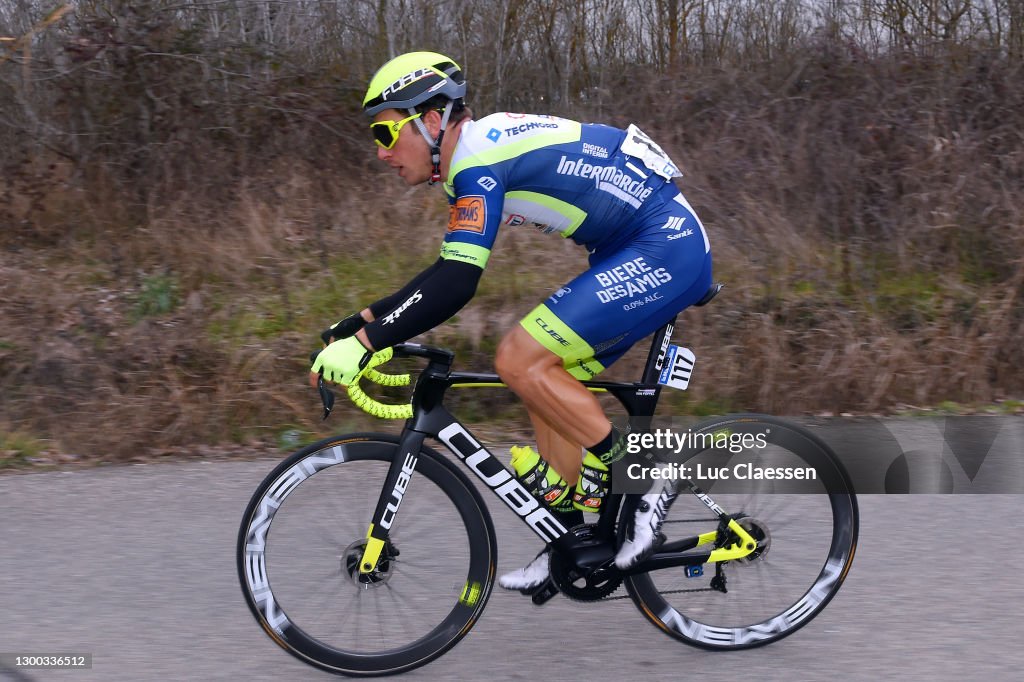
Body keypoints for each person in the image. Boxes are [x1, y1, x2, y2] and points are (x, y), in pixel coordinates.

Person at [310, 51, 713, 591]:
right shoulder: (472, 160)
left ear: (431, 121)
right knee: (543, 373)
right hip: (628, 249)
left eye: (385, 134)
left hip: (665, 246)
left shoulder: (475, 160)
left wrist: (368, 342)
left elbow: (458, 281)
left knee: (518, 357)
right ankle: (571, 541)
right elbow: (442, 272)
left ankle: (645, 478)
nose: (380, 153)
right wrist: (357, 325)